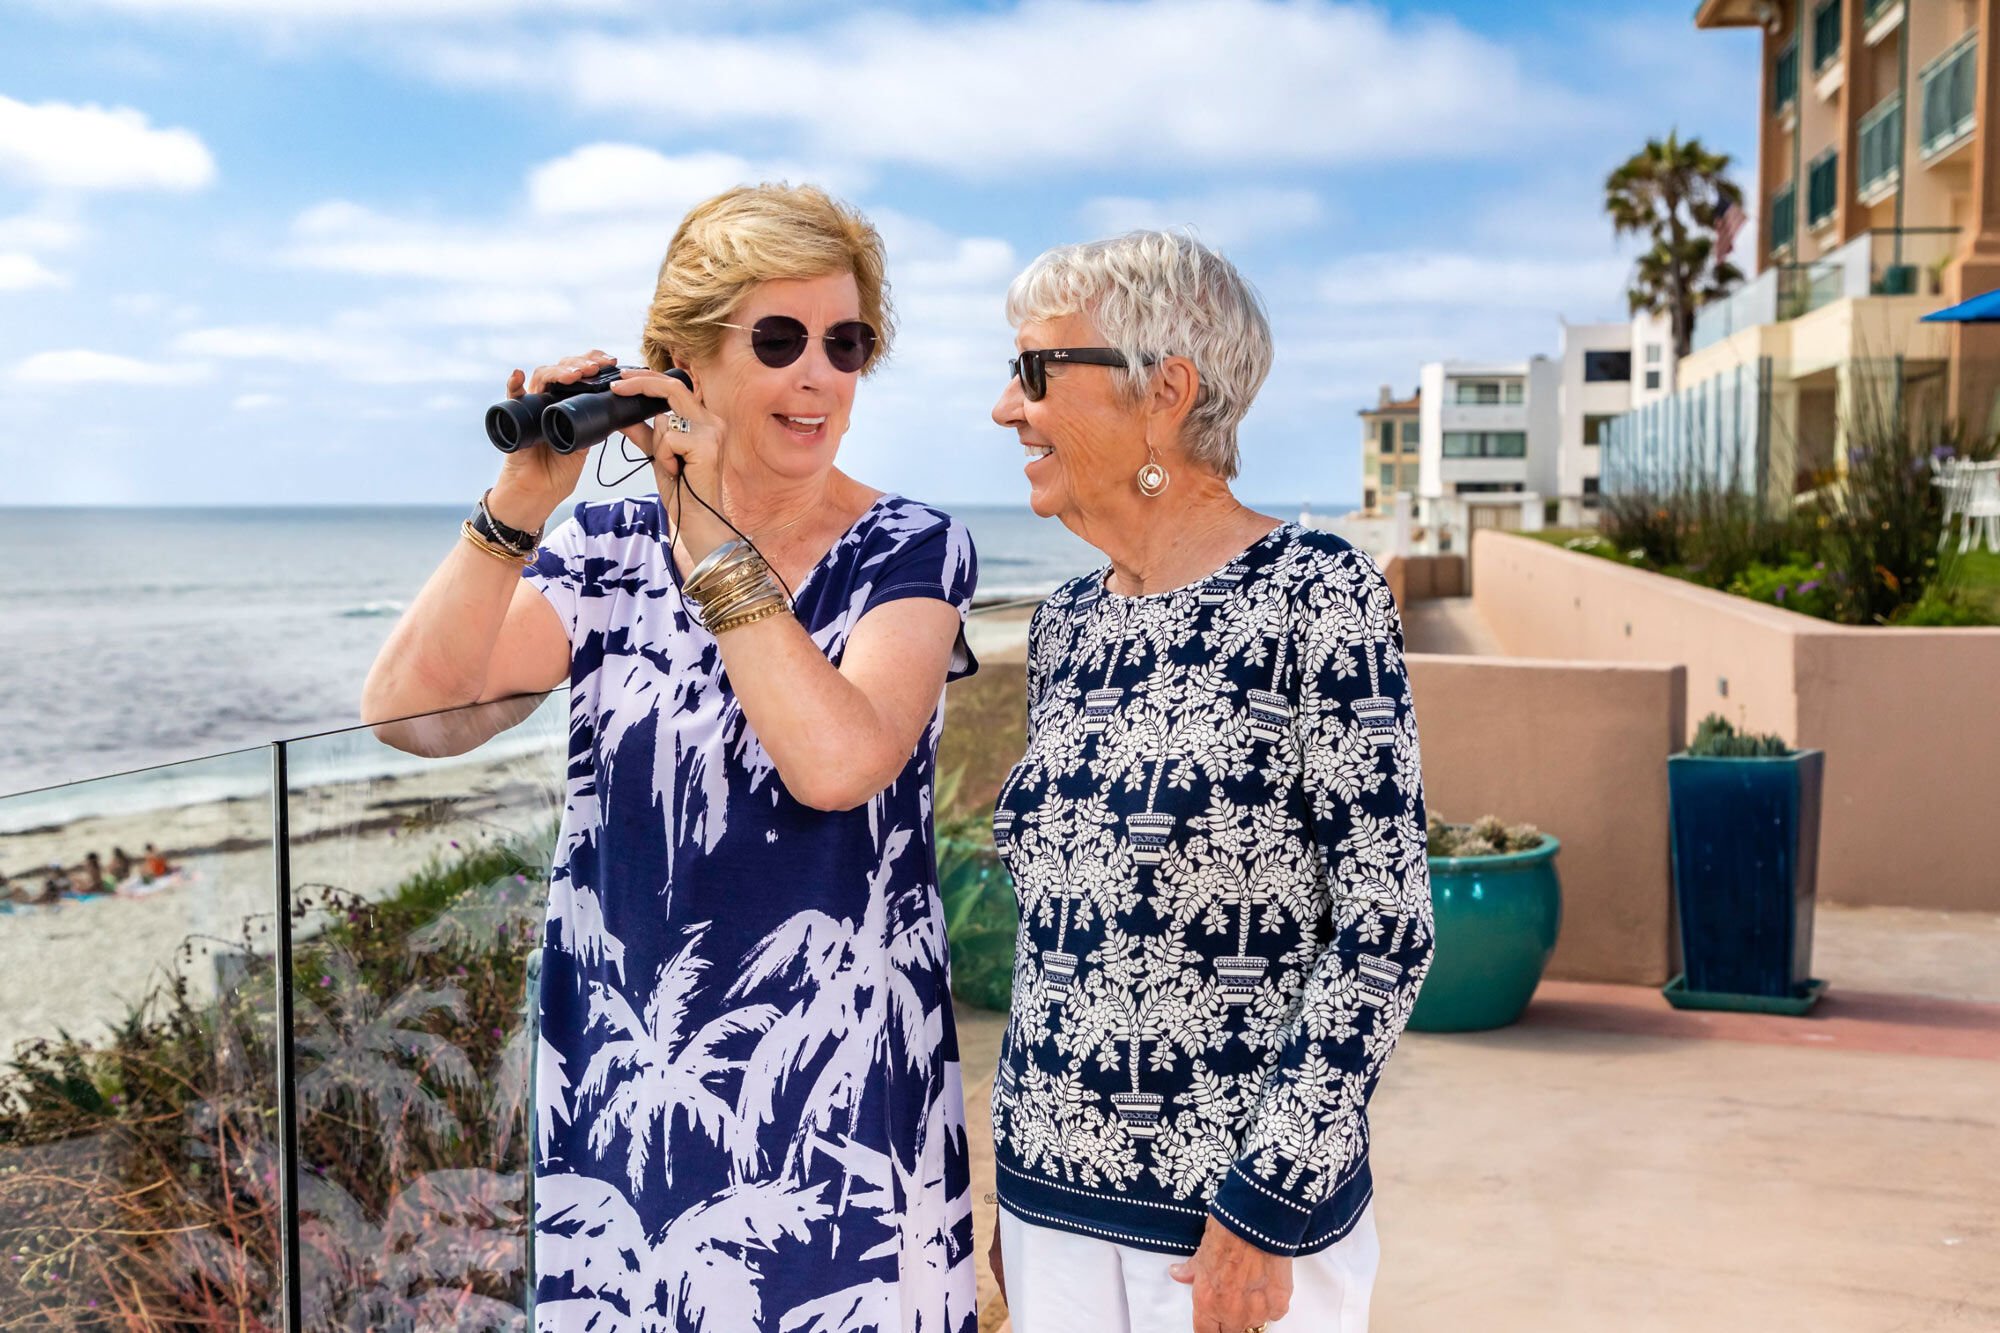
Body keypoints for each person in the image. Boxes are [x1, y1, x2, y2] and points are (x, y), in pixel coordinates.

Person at [362, 184, 980, 1331]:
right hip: (628, 1085)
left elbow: (835, 764)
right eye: (781, 340)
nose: (819, 377)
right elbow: (415, 714)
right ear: (684, 360)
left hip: (834, 1101)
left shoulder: (907, 547)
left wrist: (705, 533)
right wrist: (518, 503)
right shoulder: (603, 549)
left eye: (845, 344)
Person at [984, 232, 1433, 1333]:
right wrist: (1014, 1176)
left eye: (1038, 372)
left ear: (1162, 394)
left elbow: (1383, 928)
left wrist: (1268, 1201)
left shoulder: (1312, 597)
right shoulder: (1067, 627)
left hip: (1230, 1237)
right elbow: (1058, 936)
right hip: (1050, 1212)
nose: (1007, 408)